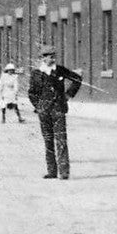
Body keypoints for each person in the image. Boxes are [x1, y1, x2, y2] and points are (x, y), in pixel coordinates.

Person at [28, 44, 83, 180]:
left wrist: (68, 95)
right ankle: (51, 171)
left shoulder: (60, 70)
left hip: (58, 110)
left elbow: (77, 79)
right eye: (49, 57)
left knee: (61, 140)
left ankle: (64, 172)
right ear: (42, 58)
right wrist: (38, 106)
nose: (52, 60)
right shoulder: (36, 73)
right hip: (44, 112)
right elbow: (32, 93)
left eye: (53, 57)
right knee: (48, 141)